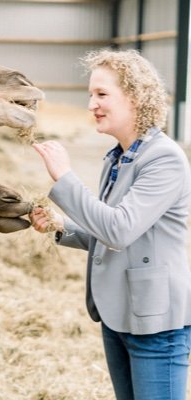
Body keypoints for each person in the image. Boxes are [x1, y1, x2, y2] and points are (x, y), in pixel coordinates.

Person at [29, 48, 191, 400]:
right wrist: (60, 225)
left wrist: (65, 178)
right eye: (91, 95)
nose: (92, 104)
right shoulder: (118, 157)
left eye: (102, 94)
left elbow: (119, 229)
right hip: (118, 315)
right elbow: (108, 231)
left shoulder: (164, 158)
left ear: (135, 97)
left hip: (155, 325)